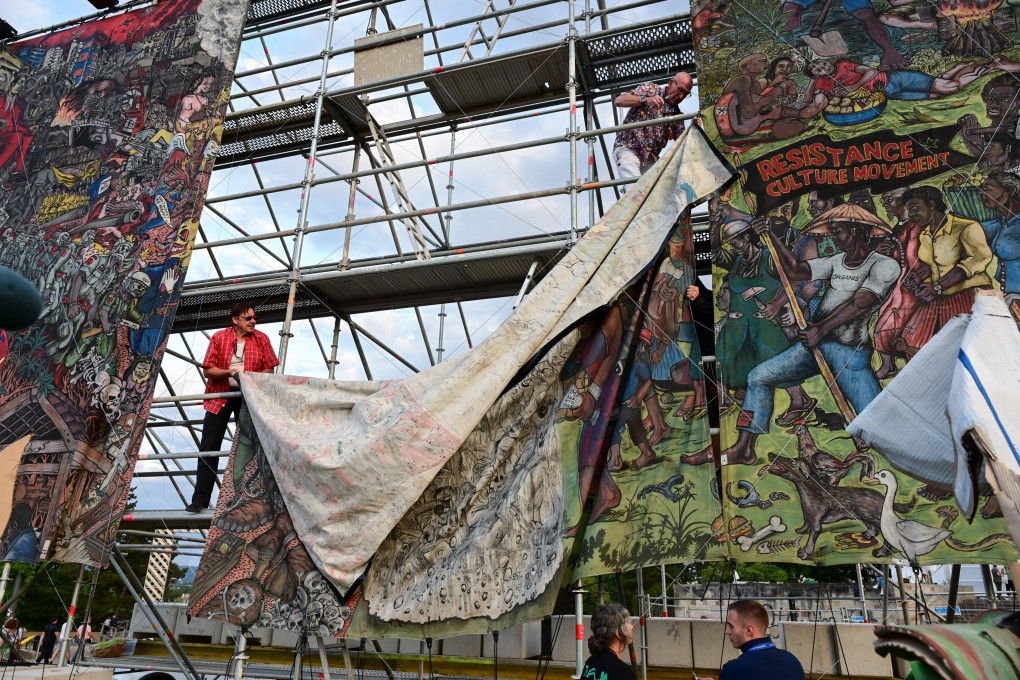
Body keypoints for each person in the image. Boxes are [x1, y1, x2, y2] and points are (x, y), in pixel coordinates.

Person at [721, 207, 900, 465]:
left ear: (855, 230)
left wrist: (821, 329)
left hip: (849, 353)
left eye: (837, 231)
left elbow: (861, 302)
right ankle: (744, 447)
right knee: (758, 377)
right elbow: (795, 270)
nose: (833, 237)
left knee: (874, 421)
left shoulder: (884, 265)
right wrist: (770, 235)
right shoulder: (836, 261)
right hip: (813, 348)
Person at [188, 301, 279, 512]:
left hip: (248, 398)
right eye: (248, 318)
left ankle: (250, 498)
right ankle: (200, 499)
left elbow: (269, 370)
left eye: (254, 318)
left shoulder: (261, 339)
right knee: (209, 448)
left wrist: (248, 378)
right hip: (220, 397)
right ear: (235, 319)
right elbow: (208, 370)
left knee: (250, 447)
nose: (253, 321)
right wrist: (231, 373)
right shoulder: (219, 337)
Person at [612, 72, 693, 180]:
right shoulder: (651, 89)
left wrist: (694, 128)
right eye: (680, 90)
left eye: (686, 94)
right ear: (670, 83)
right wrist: (645, 100)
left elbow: (683, 141)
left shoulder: (676, 116)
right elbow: (619, 100)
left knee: (657, 192)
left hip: (650, 160)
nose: (681, 96)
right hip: (628, 149)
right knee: (634, 190)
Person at [721, 600, 804, 680]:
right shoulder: (792, 661)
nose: (727, 631)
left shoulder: (734, 669)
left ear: (749, 630)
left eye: (731, 626)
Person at [580, 603, 635, 680]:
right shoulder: (622, 671)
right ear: (618, 633)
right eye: (628, 622)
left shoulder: (591, 662)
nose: (632, 626)